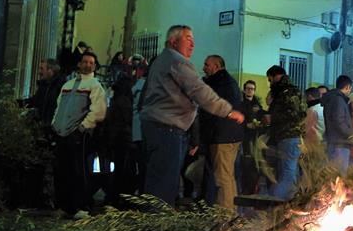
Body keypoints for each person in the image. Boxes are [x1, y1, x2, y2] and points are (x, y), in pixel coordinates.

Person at [138, 26, 244, 205]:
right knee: (164, 184)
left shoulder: (160, 61)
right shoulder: (177, 61)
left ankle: (153, 222)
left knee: (156, 181)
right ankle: (158, 226)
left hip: (155, 127)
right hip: (167, 129)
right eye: (188, 38)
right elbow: (199, 91)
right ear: (173, 41)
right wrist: (228, 111)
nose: (193, 43)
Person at [51, 51, 107, 219]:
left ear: (94, 66)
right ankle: (63, 205)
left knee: (78, 171)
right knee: (61, 171)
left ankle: (78, 206)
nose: (88, 65)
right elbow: (59, 106)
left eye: (91, 62)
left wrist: (83, 128)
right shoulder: (67, 85)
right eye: (85, 62)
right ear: (79, 64)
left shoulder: (95, 85)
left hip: (78, 135)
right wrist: (55, 124)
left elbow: (99, 110)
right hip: (61, 133)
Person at [199, 55, 243, 210]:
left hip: (222, 136)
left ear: (216, 66)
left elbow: (210, 107)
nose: (203, 68)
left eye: (207, 65)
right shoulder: (228, 82)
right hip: (229, 136)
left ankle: (226, 214)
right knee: (228, 176)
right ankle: (230, 211)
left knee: (222, 178)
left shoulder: (218, 83)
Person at [264, 65, 306, 200]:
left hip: (290, 137)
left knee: (287, 175)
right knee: (289, 174)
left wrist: (272, 117)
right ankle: (290, 207)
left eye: (270, 80)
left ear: (277, 76)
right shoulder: (282, 92)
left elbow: (294, 114)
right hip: (283, 138)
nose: (270, 84)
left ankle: (272, 206)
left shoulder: (289, 91)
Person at [102, 75, 133, 207]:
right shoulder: (125, 101)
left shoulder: (116, 100)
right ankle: (118, 196)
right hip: (122, 139)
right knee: (122, 169)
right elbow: (126, 120)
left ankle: (112, 196)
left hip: (114, 139)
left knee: (116, 169)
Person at [322, 75, 353, 175]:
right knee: (338, 177)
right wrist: (351, 135)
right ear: (347, 87)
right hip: (340, 143)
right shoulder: (339, 100)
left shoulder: (332, 99)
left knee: (333, 176)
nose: (350, 91)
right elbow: (338, 121)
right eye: (350, 88)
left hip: (333, 142)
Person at [21, 58, 66, 127]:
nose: (39, 72)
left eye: (42, 69)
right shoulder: (44, 85)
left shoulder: (61, 87)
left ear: (50, 70)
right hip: (43, 127)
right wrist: (18, 103)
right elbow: (35, 101)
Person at [239, 80, 265, 194]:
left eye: (252, 89)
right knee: (245, 163)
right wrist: (246, 125)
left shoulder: (257, 105)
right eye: (248, 88)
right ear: (244, 90)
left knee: (254, 164)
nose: (250, 91)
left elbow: (261, 116)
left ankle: (251, 188)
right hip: (244, 138)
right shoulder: (240, 104)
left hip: (255, 137)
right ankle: (244, 188)